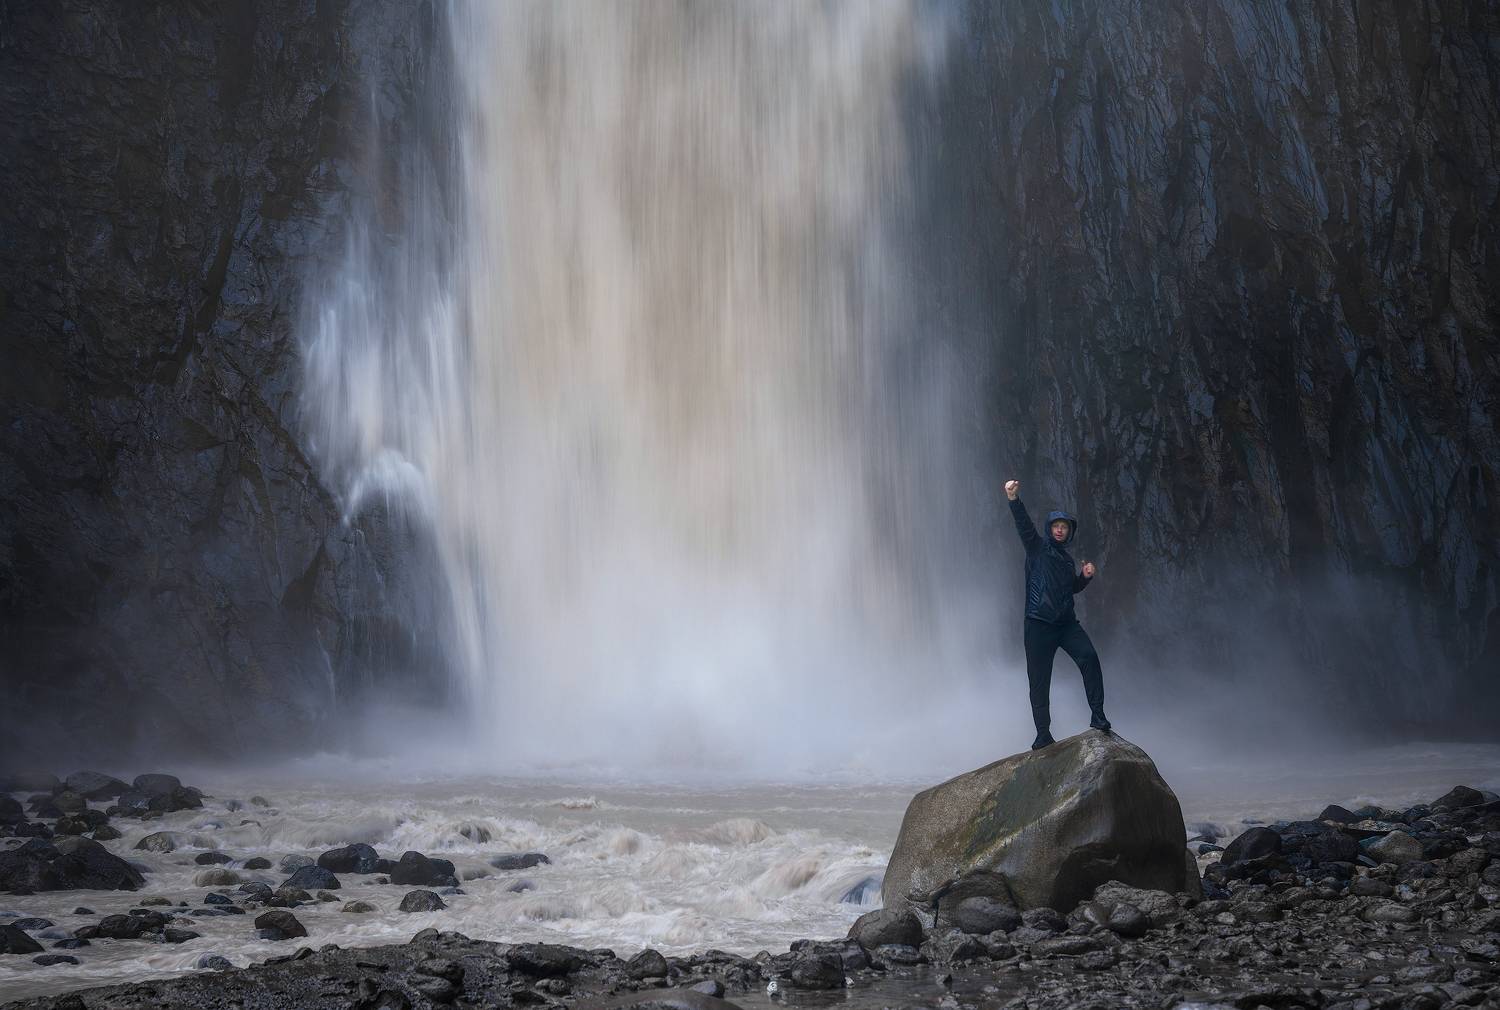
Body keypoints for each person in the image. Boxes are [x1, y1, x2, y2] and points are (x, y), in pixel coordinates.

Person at [1004, 479, 1111, 749]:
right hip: (1038, 625)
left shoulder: (1066, 561)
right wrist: (1013, 498)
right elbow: (1023, 525)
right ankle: (1043, 735)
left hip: (1065, 624)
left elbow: (1070, 589)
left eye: (1064, 527)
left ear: (1069, 532)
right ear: (1049, 530)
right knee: (1039, 681)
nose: (1060, 530)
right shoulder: (1036, 547)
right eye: (1056, 526)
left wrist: (1084, 578)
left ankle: (1098, 717)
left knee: (1089, 656)